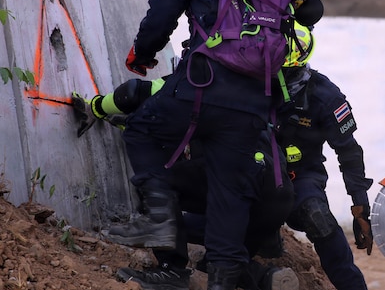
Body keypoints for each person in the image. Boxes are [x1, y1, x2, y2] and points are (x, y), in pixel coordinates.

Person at [104, 0, 323, 290]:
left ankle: (168, 255)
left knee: (143, 131)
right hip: (252, 103)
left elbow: (159, 21)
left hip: (199, 88)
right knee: (229, 187)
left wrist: (142, 56)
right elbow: (314, 10)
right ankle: (222, 280)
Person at [72, 75, 299, 290]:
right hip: (276, 199)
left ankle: (171, 271)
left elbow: (133, 92)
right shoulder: (255, 89)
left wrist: (96, 107)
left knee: (157, 186)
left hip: (242, 176)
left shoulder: (198, 77)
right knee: (218, 258)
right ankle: (265, 277)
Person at [273, 27, 373, 290]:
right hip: (249, 173)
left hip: (300, 178)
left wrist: (360, 207)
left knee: (321, 219)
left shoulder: (325, 95)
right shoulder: (244, 82)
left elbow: (349, 152)